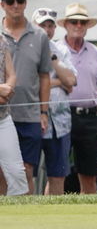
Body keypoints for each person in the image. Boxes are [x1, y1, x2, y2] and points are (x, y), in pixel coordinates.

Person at [1, 0, 51, 195]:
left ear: (25, 2)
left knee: (21, 172)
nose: (15, 5)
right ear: (2, 4)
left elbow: (15, 73)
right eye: (10, 1)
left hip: (10, 115)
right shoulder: (2, 34)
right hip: (8, 112)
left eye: (19, 0)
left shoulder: (37, 36)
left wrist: (43, 111)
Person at [57, 3, 97, 194]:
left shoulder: (95, 52)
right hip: (62, 115)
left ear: (87, 26)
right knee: (57, 171)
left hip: (90, 117)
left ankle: (91, 218)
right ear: (66, 25)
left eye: (82, 22)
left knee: (89, 173)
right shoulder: (55, 49)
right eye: (73, 21)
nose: (78, 25)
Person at [32, 8, 77, 195]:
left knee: (58, 174)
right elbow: (30, 84)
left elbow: (71, 81)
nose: (47, 30)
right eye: (43, 25)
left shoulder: (60, 50)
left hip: (60, 123)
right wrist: (56, 83)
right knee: (28, 172)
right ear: (34, 26)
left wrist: (54, 60)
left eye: (50, 26)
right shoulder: (27, 48)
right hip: (32, 120)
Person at [0, 34, 28, 196]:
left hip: (3, 118)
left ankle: (19, 218)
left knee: (17, 173)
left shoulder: (1, 41)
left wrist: (7, 90)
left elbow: (11, 75)